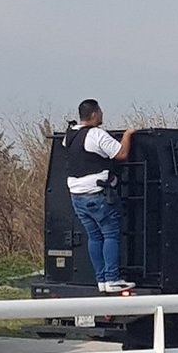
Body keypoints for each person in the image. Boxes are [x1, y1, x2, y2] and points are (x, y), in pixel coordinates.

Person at [64, 99, 135, 293]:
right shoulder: (96, 134)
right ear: (94, 114)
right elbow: (121, 154)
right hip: (97, 194)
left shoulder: (69, 136)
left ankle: (101, 280)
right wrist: (128, 135)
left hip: (76, 196)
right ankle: (113, 279)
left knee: (94, 237)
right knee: (110, 234)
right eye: (100, 111)